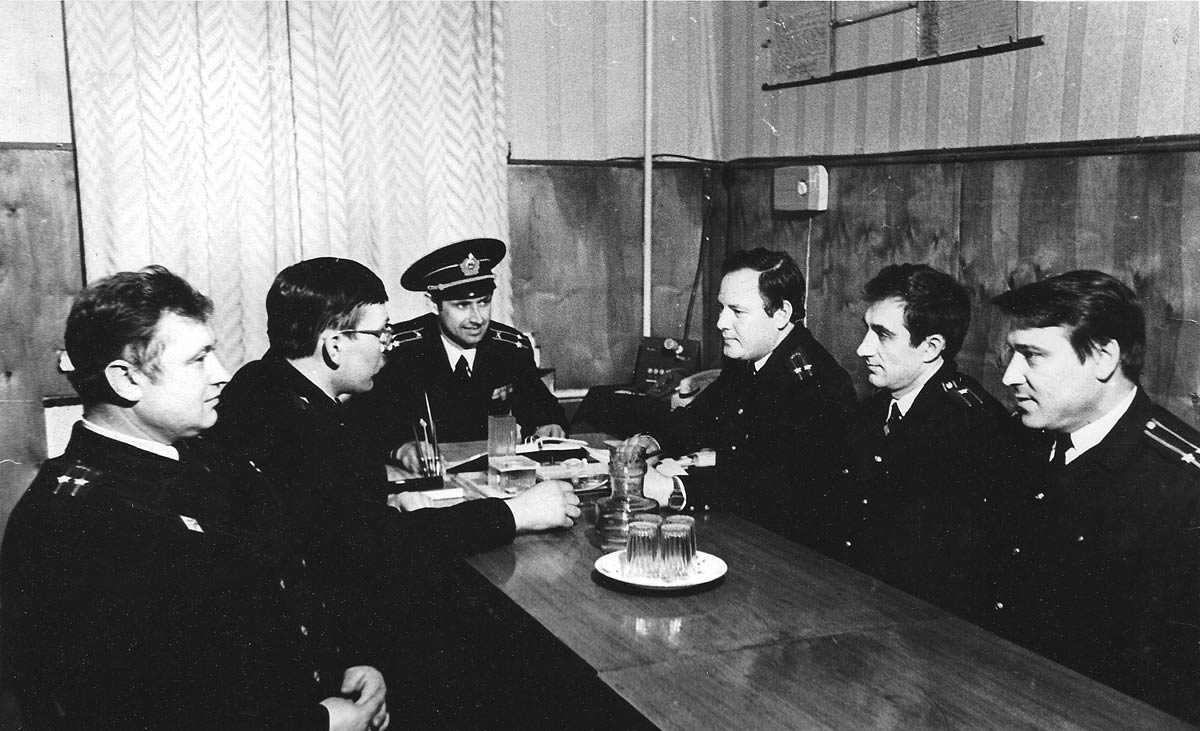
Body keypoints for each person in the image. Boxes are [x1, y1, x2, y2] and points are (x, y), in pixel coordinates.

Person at [211, 258, 639, 731]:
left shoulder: (263, 385)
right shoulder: (303, 427)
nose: (388, 347)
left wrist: (390, 506)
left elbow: (339, 521)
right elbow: (375, 546)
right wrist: (515, 513)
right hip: (328, 647)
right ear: (334, 345)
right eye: (381, 334)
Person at [0, 266, 388, 731]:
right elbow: (142, 711)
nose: (222, 375)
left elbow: (283, 591)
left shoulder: (206, 457)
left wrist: (342, 666)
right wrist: (320, 723)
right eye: (198, 359)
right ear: (126, 379)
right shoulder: (77, 522)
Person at [988, 270, 1200, 723]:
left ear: (1104, 358)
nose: (1009, 376)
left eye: (1032, 356)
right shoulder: (1021, 441)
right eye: (1012, 354)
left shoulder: (1184, 486)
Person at [830, 264, 1012, 617]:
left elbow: (959, 570)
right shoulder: (875, 410)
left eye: (882, 335)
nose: (863, 349)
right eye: (867, 330)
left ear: (930, 347)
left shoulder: (972, 428)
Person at [646, 248, 856, 545]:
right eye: (722, 308)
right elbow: (702, 416)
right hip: (743, 529)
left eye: (737, 311)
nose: (721, 322)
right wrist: (652, 442)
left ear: (781, 314)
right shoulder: (749, 356)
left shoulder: (817, 386)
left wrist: (673, 490)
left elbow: (774, 489)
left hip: (794, 550)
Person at [355, 238, 567, 464]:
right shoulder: (401, 351)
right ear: (432, 304)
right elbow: (368, 424)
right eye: (462, 305)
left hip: (493, 473)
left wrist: (548, 425)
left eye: (484, 302)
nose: (477, 318)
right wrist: (401, 449)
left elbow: (544, 409)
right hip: (428, 475)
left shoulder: (510, 348)